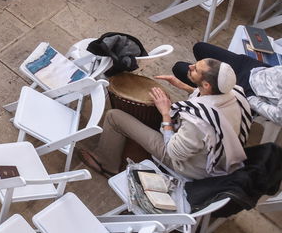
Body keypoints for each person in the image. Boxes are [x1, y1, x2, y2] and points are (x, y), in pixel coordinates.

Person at [81, 58, 250, 180]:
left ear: (206, 85)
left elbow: (173, 152)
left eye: (195, 69)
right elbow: (211, 102)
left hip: (188, 165)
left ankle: (106, 164)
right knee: (166, 109)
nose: (190, 66)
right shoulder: (235, 93)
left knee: (114, 117)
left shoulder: (197, 122)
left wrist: (165, 113)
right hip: (208, 151)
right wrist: (184, 86)